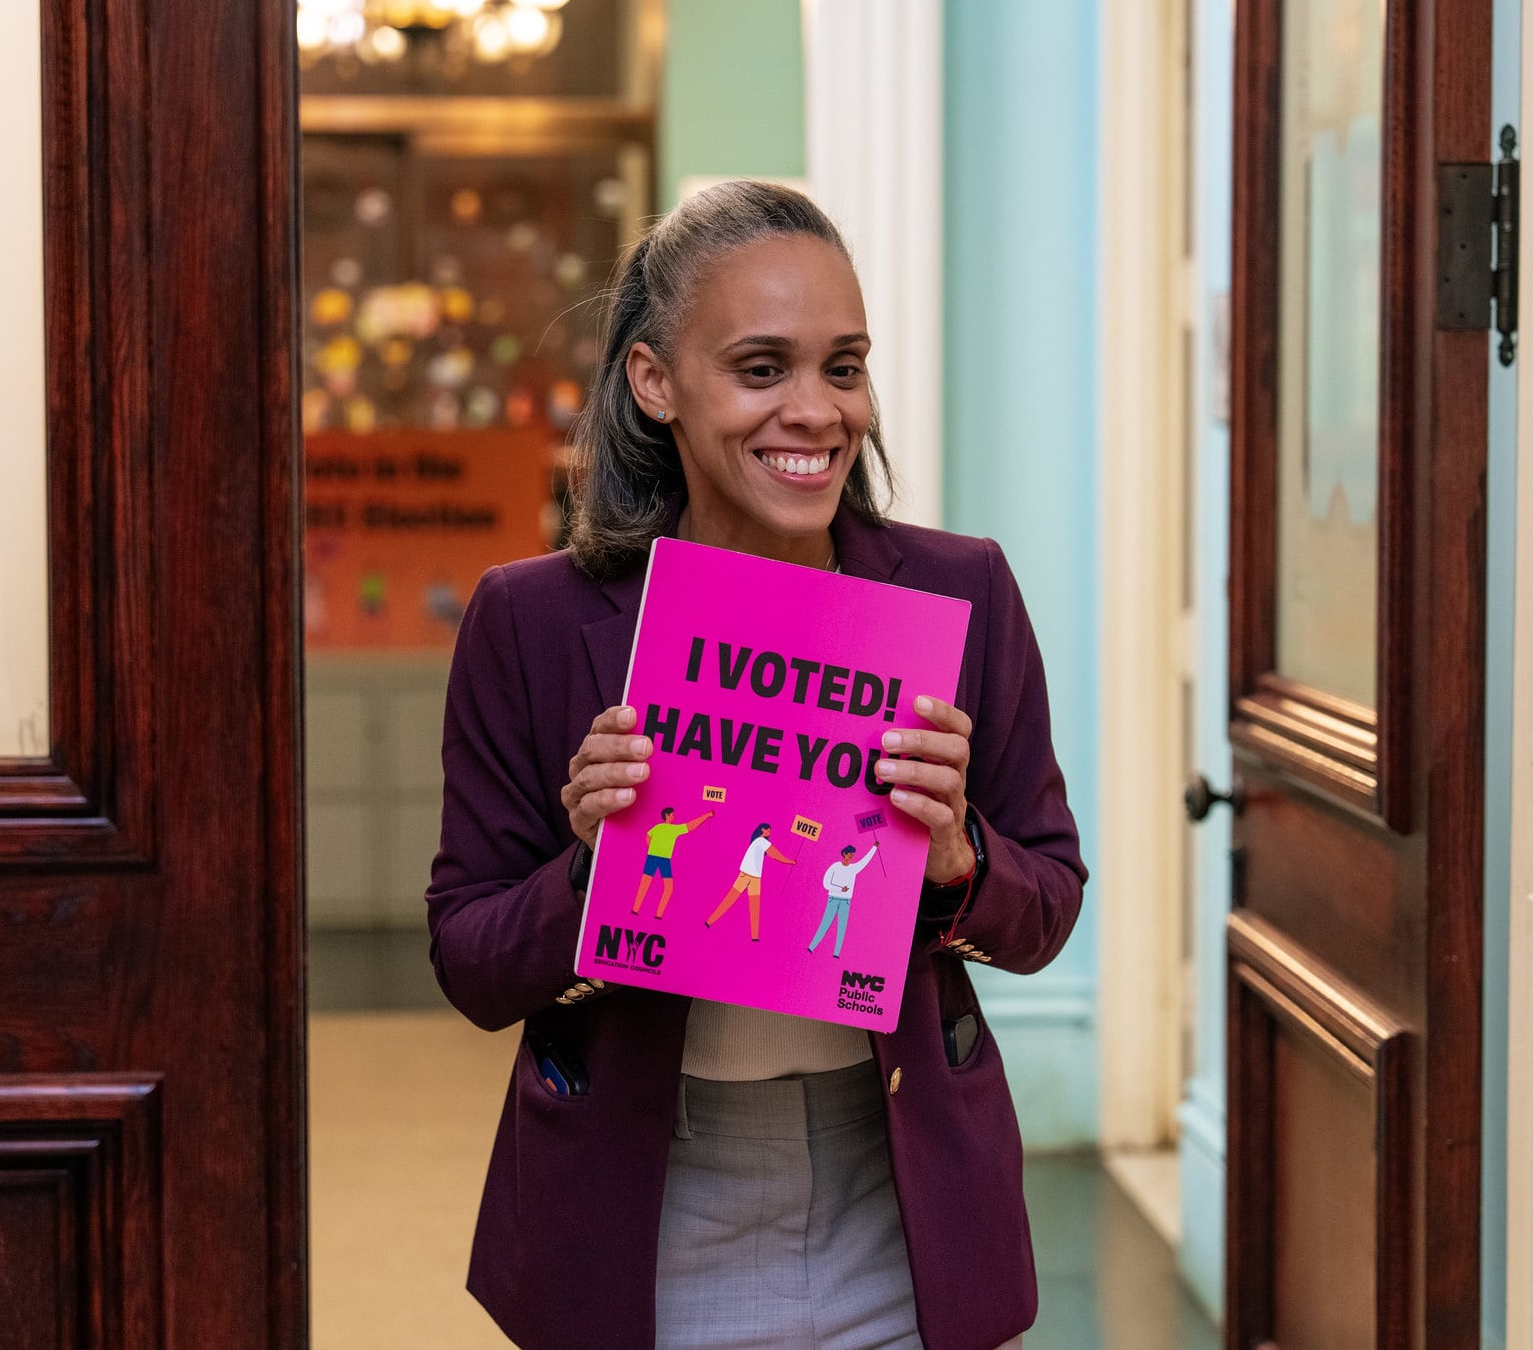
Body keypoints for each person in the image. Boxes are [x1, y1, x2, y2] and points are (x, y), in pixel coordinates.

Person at [426, 180, 1085, 1350]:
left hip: (901, 1190)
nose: (816, 413)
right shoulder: (527, 623)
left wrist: (956, 856)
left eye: (843, 367)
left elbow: (1045, 912)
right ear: (654, 381)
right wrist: (592, 866)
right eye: (761, 366)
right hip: (647, 1193)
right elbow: (472, 965)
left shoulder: (958, 591)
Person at [705, 819, 796, 938]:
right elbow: (775, 854)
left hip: (754, 876)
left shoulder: (758, 842)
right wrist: (790, 861)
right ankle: (711, 921)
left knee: (751, 905)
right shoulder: (761, 841)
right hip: (748, 875)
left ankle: (754, 936)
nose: (769, 831)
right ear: (762, 830)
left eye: (770, 830)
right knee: (733, 899)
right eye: (767, 829)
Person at [634, 805, 714, 917]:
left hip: (653, 857)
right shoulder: (673, 829)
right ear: (667, 815)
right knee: (666, 887)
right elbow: (691, 826)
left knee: (646, 883)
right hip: (662, 860)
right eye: (672, 814)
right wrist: (707, 815)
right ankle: (658, 914)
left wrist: (651, 848)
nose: (674, 816)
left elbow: (648, 835)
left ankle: (636, 910)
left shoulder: (658, 827)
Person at [809, 839, 879, 958]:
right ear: (844, 854)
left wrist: (874, 848)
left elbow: (864, 862)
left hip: (846, 901)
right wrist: (840, 889)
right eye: (850, 854)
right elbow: (826, 883)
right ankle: (812, 947)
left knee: (842, 926)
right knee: (825, 923)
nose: (851, 856)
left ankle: (836, 953)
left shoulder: (853, 868)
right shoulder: (835, 866)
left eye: (853, 854)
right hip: (833, 898)